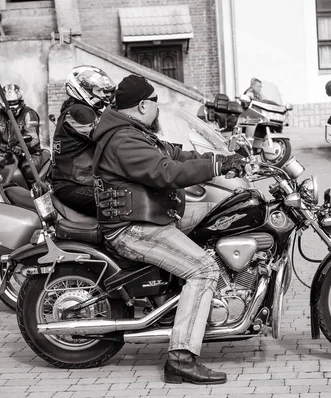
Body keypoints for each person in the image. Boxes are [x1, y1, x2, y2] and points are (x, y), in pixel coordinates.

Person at [92, 74, 247, 385]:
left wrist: (221, 159)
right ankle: (181, 359)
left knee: (219, 219)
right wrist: (216, 168)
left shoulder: (134, 132)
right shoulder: (124, 139)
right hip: (134, 228)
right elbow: (165, 172)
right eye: (155, 103)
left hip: (154, 217)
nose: (158, 110)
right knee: (203, 269)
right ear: (143, 104)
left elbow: (175, 155)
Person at [50, 65, 115, 216]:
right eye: (99, 91)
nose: (105, 96)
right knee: (122, 203)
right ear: (83, 90)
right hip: (73, 185)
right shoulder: (79, 111)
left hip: (82, 182)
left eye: (105, 92)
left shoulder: (84, 110)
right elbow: (108, 137)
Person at [0, 84, 48, 184]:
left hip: (28, 154)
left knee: (27, 170)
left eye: (14, 102)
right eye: (8, 103)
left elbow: (33, 137)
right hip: (5, 154)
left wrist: (20, 147)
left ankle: (34, 193)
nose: (11, 105)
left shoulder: (29, 114)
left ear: (20, 101)